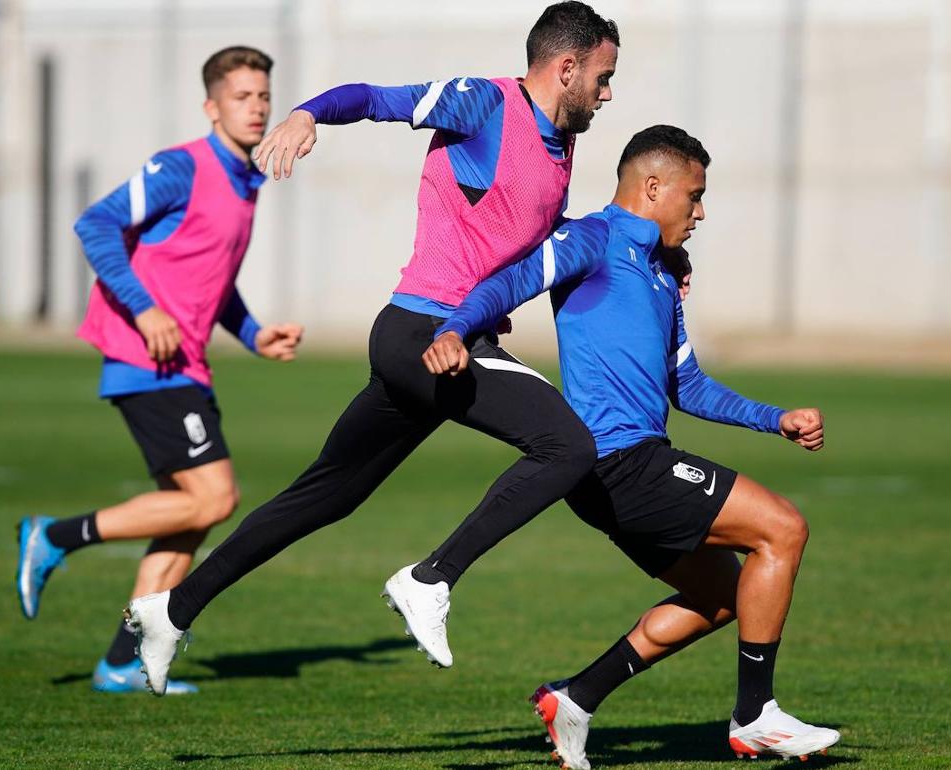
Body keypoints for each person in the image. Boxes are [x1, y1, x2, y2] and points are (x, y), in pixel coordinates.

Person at [125, 2, 619, 696]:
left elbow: (527, 232)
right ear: (565, 67)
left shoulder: (561, 142)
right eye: (602, 77)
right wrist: (306, 113)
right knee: (568, 445)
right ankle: (431, 578)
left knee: (324, 496)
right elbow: (373, 99)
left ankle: (170, 611)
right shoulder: (483, 102)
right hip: (425, 336)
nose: (607, 93)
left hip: (436, 343)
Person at [421, 125, 840, 767]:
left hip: (621, 471)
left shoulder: (661, 276)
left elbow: (687, 385)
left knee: (726, 597)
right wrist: (454, 328)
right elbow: (510, 282)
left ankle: (577, 699)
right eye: (693, 197)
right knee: (782, 530)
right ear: (653, 187)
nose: (700, 214)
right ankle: (756, 714)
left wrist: (774, 418)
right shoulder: (593, 238)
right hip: (621, 462)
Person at [15, 46, 304, 694]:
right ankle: (53, 536)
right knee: (216, 497)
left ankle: (122, 660)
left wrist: (255, 334)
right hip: (145, 359)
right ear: (211, 106)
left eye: (262, 96)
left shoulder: (247, 179)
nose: (256, 108)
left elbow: (213, 280)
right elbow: (95, 224)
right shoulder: (181, 167)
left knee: (192, 516)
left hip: (185, 365)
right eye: (241, 97)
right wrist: (145, 312)